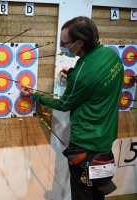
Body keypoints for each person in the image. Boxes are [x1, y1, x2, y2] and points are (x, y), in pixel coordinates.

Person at [20, 16, 123, 200]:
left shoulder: (81, 74)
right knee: (98, 191)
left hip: (85, 143)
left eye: (64, 42)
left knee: (82, 194)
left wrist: (35, 95)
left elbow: (64, 104)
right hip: (106, 139)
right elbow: (98, 86)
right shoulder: (112, 56)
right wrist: (77, 79)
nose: (61, 45)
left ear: (80, 42)